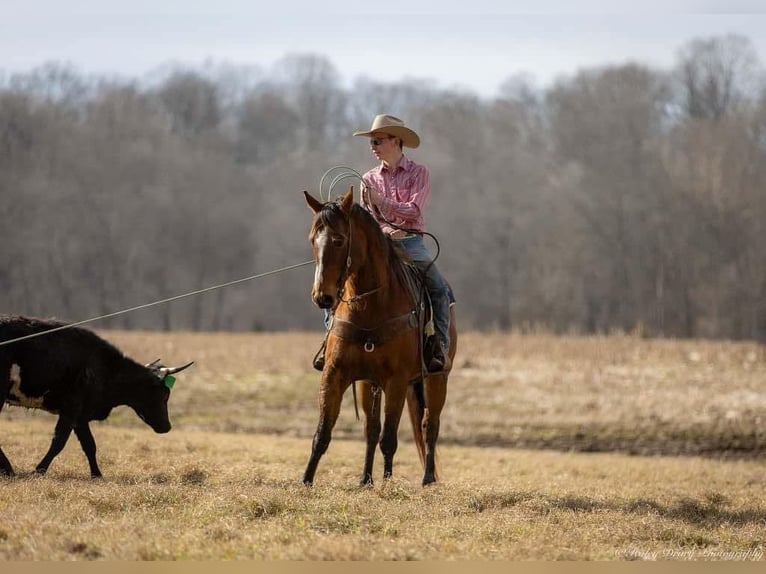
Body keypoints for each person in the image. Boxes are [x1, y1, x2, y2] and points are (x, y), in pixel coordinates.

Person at [313, 114, 452, 373]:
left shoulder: (419, 173)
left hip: (411, 243)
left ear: (396, 141)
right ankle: (329, 341)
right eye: (372, 142)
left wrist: (381, 202)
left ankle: (439, 345)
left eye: (377, 141)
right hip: (380, 246)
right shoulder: (369, 178)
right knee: (338, 280)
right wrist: (382, 231)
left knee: (439, 288)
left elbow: (414, 211)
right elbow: (371, 220)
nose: (372, 147)